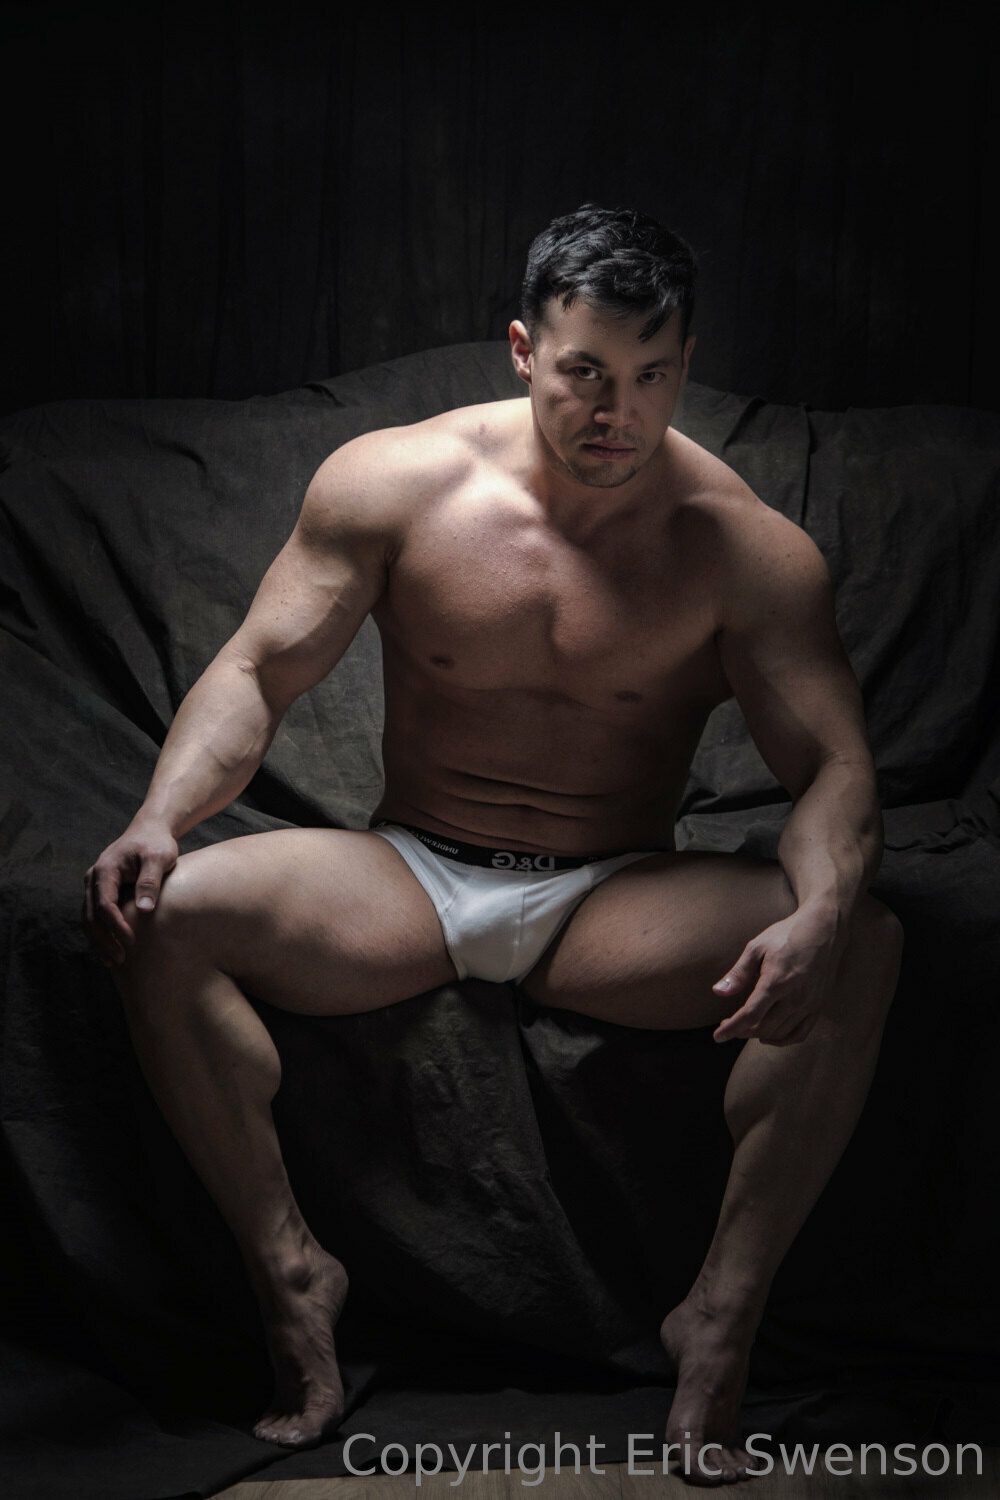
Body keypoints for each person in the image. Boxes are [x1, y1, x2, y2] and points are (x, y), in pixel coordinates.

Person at [81, 203, 903, 1486]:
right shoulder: (394, 482)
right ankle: (290, 1270)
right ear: (524, 349)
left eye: (652, 375)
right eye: (585, 371)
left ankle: (717, 1322)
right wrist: (157, 820)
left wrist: (820, 908)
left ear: (686, 362)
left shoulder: (743, 551)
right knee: (163, 914)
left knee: (863, 943)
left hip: (610, 898)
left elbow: (835, 768)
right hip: (409, 873)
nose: (616, 411)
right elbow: (256, 672)